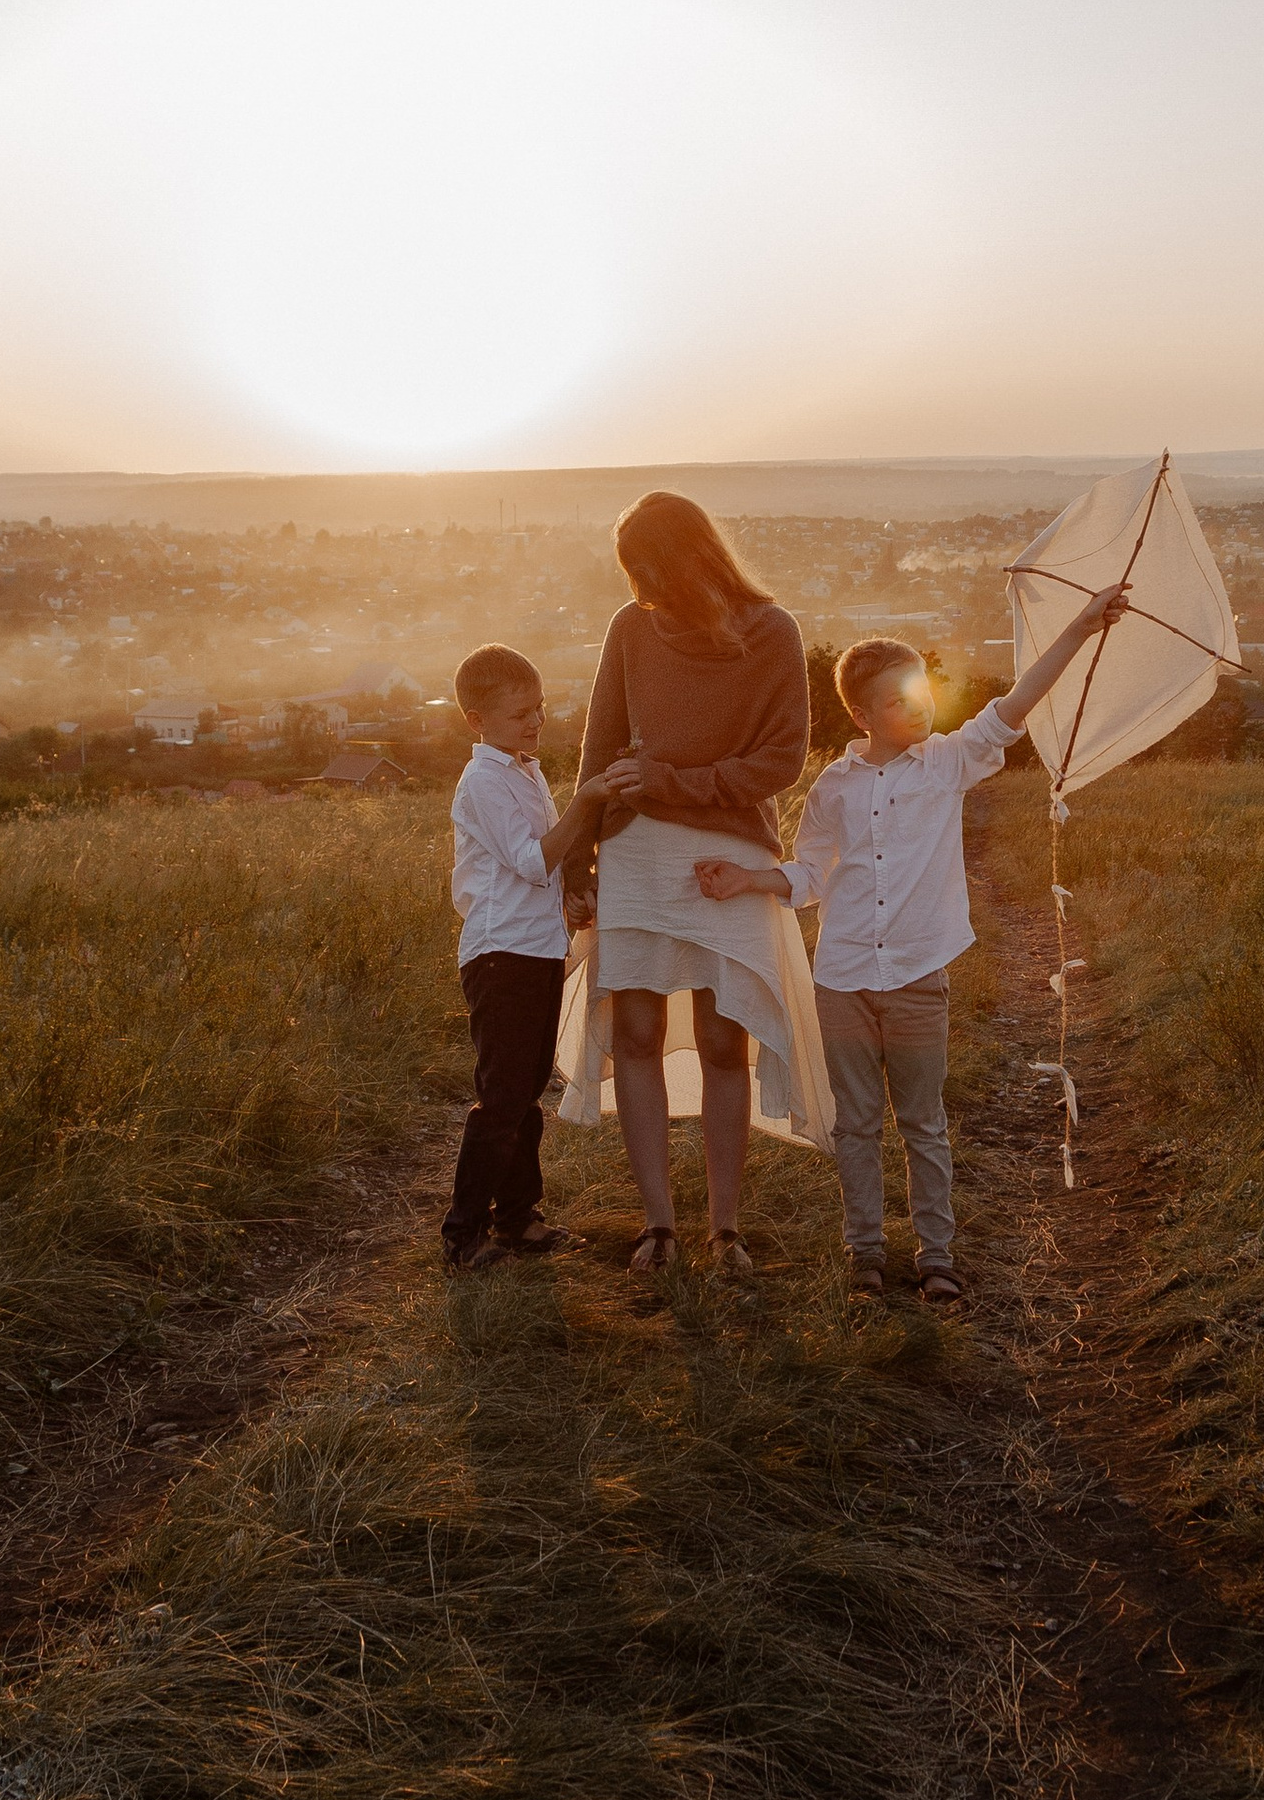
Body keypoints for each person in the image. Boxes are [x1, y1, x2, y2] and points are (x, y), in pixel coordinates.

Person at [695, 588, 1130, 1308]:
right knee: (858, 1124)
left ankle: (937, 1256)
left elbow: (1016, 705)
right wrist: (747, 878)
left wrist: (1082, 627)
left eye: (920, 693)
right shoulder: (832, 788)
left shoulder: (947, 763)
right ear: (862, 716)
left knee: (923, 1122)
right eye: (898, 702)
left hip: (918, 977)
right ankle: (865, 1251)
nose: (919, 709)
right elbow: (811, 875)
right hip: (841, 979)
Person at [569, 492, 830, 1278]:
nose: (642, 587)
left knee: (725, 1039)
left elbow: (781, 761)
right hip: (635, 854)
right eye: (631, 573)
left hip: (729, 857)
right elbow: (600, 751)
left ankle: (724, 1228)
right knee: (636, 1036)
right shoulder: (631, 626)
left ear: (690, 557)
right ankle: (659, 1227)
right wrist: (576, 863)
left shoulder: (772, 632)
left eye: (650, 569)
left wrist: (675, 781)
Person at [443, 646, 612, 1269]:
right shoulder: (484, 780)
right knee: (502, 1097)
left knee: (526, 1091)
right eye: (520, 714)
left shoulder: (524, 769)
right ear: (476, 720)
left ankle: (518, 1218)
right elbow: (532, 858)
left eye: (539, 708)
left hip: (538, 949)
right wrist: (586, 802)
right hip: (500, 955)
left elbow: (544, 872)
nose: (535, 722)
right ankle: (462, 1234)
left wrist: (573, 896)